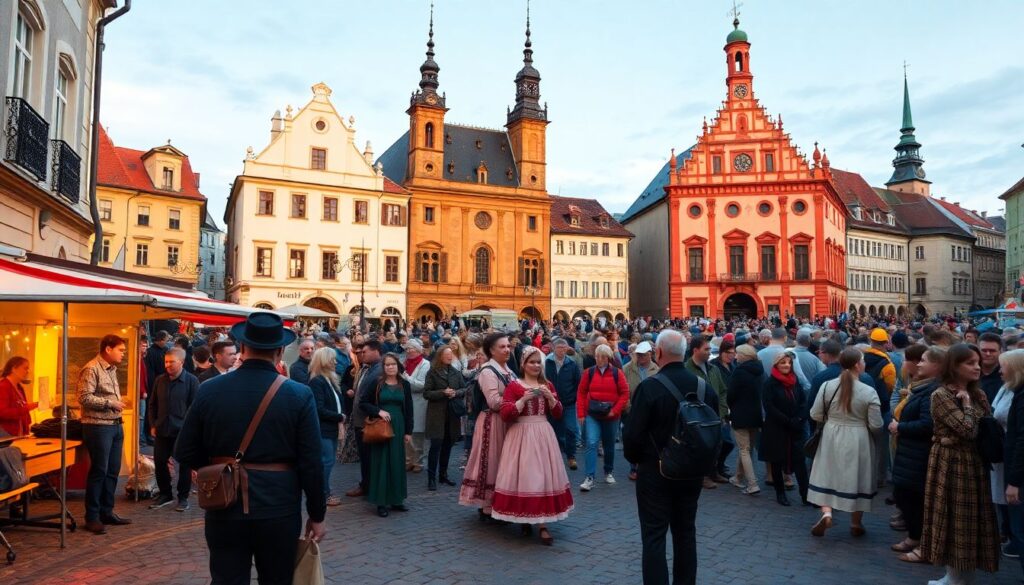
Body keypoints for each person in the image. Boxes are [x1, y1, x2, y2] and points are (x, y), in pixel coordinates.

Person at [175, 312, 326, 583]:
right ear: (280, 352)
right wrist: (317, 514)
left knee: (227, 578)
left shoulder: (209, 389)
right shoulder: (298, 395)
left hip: (225, 504)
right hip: (278, 506)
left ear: (242, 349)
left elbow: (185, 450)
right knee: (277, 578)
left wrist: (220, 469)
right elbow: (311, 463)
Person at [623, 329, 718, 585]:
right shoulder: (704, 388)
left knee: (654, 536)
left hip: (655, 470)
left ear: (659, 352)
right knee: (686, 533)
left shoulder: (649, 387)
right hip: (692, 472)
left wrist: (638, 461)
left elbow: (632, 436)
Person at [920, 343, 1000, 584]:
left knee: (971, 518)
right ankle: (953, 576)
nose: (978, 366)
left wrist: (969, 409)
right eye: (970, 363)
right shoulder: (941, 395)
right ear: (954, 366)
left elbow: (986, 423)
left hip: (973, 461)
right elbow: (968, 430)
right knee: (951, 516)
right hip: (951, 462)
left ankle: (963, 575)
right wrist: (967, 408)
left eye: (977, 362)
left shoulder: (979, 393)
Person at [491, 346, 574, 545]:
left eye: (538, 362)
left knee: (543, 477)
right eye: (532, 362)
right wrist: (523, 399)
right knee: (525, 477)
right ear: (523, 364)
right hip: (521, 434)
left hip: (543, 433)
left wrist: (551, 398)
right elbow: (505, 414)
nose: (536, 366)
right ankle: (525, 517)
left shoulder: (548, 385)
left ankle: (543, 523)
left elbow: (558, 414)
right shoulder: (514, 386)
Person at [807, 348, 883, 536]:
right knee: (857, 476)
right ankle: (856, 522)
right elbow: (876, 424)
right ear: (857, 364)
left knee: (827, 473)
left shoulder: (827, 386)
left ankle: (826, 513)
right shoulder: (869, 391)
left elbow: (815, 413)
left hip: (832, 434)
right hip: (859, 437)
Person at [888, 344, 941, 561]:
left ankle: (920, 540)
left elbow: (928, 424)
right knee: (907, 495)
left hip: (918, 452)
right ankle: (915, 536)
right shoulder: (923, 386)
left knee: (914, 497)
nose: (919, 363)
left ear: (938, 365)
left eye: (924, 360)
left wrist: (900, 427)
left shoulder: (932, 390)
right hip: (911, 451)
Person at [459, 332, 517, 519]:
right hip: (492, 423)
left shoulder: (508, 370)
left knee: (503, 463)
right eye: (502, 347)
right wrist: (519, 399)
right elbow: (493, 402)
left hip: (507, 422)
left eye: (508, 346)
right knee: (490, 462)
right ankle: (487, 506)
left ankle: (500, 503)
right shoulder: (487, 371)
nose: (507, 349)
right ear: (491, 350)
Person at [78, 334, 131, 535]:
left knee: (112, 471)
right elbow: (83, 397)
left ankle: (106, 512)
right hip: (98, 426)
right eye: (121, 350)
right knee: (99, 471)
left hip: (115, 425)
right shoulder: (91, 368)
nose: (123, 354)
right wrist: (110, 403)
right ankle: (92, 517)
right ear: (108, 349)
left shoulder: (111, 369)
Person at [360, 353, 414, 517]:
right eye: (387, 365)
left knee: (397, 463)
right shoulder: (377, 383)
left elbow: (409, 408)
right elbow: (363, 402)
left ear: (398, 366)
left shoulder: (404, 384)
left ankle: (397, 500)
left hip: (398, 426)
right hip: (381, 426)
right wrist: (378, 411)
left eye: (393, 364)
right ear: (383, 368)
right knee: (382, 463)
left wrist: (408, 431)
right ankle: (381, 502)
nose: (390, 367)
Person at [147, 347, 199, 512]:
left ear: (182, 362)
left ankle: (183, 497)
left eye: (172, 362)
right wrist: (153, 424)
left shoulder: (191, 381)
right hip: (162, 428)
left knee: (184, 464)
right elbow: (152, 404)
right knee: (160, 462)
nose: (168, 365)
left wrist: (191, 430)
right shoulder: (159, 380)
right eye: (166, 362)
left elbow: (195, 408)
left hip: (182, 431)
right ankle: (165, 494)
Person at [577, 344, 629, 491]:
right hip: (592, 414)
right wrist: (581, 413)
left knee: (609, 444)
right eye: (597, 356)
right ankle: (589, 477)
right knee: (591, 442)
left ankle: (608, 471)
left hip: (611, 414)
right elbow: (581, 393)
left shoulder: (617, 373)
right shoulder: (589, 373)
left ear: (608, 358)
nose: (599, 359)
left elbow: (624, 393)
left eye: (602, 356)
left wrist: (615, 410)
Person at [760, 351, 809, 507]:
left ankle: (805, 494)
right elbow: (769, 406)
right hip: (777, 428)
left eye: (789, 362)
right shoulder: (769, 384)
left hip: (796, 428)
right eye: (783, 362)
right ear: (776, 365)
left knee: (800, 461)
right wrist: (787, 420)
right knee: (777, 461)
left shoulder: (795, 381)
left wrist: (799, 418)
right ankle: (780, 493)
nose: (787, 365)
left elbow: (803, 402)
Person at [685, 336, 731, 487]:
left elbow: (723, 391)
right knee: (701, 446)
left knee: (718, 444)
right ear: (695, 350)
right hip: (697, 415)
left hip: (716, 414)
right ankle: (702, 475)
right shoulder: (686, 370)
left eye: (710, 349)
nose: (709, 352)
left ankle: (713, 471)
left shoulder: (713, 368)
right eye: (706, 349)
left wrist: (723, 410)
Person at [423, 346, 466, 491]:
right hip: (437, 415)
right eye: (446, 354)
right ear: (440, 356)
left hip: (452, 415)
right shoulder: (433, 372)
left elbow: (464, 389)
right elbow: (427, 393)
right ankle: (431, 478)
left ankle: (443, 474)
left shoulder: (455, 372)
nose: (449, 356)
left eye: (451, 354)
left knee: (448, 446)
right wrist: (443, 392)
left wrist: (456, 393)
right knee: (435, 446)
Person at [308, 346, 346, 507]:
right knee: (327, 461)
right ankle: (323, 493)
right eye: (332, 359)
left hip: (332, 427)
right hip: (324, 428)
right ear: (324, 361)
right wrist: (339, 416)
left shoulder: (329, 379)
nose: (336, 362)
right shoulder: (318, 381)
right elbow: (319, 408)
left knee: (328, 461)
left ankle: (324, 491)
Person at [345, 340, 382, 498]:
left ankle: (369, 486)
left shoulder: (379, 370)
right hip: (361, 420)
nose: (361, 354)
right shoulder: (366, 368)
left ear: (375, 351)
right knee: (365, 457)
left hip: (370, 421)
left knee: (369, 457)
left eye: (364, 351)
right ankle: (366, 484)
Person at [727, 344, 763, 495]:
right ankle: (737, 477)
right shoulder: (759, 370)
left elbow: (731, 394)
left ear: (744, 355)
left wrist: (730, 407)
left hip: (740, 413)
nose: (735, 356)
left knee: (743, 449)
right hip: (755, 413)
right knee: (748, 449)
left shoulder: (739, 372)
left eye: (738, 353)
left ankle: (752, 484)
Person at [622, 341, 659, 481]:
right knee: (633, 438)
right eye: (638, 354)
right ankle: (634, 467)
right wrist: (628, 408)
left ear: (650, 354)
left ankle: (647, 466)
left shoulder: (656, 369)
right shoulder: (627, 369)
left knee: (649, 439)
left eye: (643, 354)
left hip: (651, 412)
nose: (640, 357)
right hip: (632, 411)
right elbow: (624, 390)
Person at [1003, 349, 1024, 576]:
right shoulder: (1016, 393)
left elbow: (1021, 440)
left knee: (1020, 530)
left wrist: (1014, 481)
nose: (1001, 370)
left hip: (1019, 476)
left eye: (1004, 365)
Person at [545, 338, 582, 471]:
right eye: (559, 347)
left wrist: (574, 398)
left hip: (568, 403)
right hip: (551, 403)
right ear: (553, 348)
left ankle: (571, 456)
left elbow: (578, 383)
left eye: (564, 348)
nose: (562, 350)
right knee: (554, 430)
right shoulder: (546, 362)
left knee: (571, 429)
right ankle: (555, 456)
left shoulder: (572, 364)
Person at [402, 339, 430, 473]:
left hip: (419, 402)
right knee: (406, 433)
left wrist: (405, 377)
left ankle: (418, 461)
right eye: (406, 349)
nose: (408, 351)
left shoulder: (425, 364)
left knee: (418, 434)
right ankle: (408, 460)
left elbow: (421, 385)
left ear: (418, 350)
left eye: (410, 348)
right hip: (406, 402)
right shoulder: (405, 363)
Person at [0, 356, 36, 436]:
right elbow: (2, 412)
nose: (27, 372)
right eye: (25, 368)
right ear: (14, 369)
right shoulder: (3, 387)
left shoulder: (19, 388)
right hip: (6, 433)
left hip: (19, 433)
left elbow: (22, 408)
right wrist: (27, 408)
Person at [978, 331, 1004, 403]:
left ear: (1000, 351)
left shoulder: (1007, 375)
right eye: (984, 350)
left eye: (992, 351)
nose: (988, 354)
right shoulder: (967, 372)